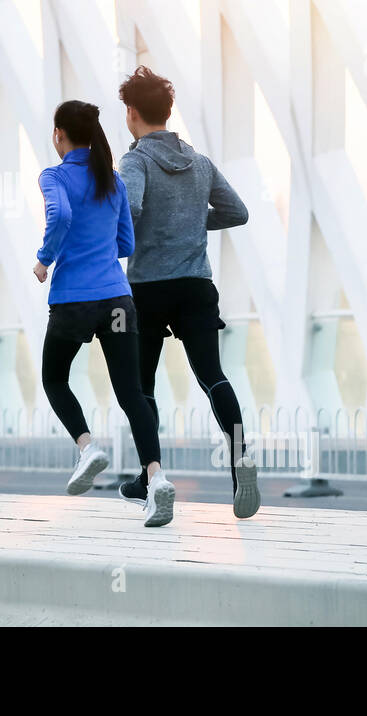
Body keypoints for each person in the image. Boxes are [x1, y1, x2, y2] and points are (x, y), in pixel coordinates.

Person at [115, 66, 260, 519]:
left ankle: (151, 478)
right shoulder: (200, 163)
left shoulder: (135, 160)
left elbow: (133, 207)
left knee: (143, 387)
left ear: (132, 113)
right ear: (168, 110)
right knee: (212, 376)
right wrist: (192, 223)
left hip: (147, 290)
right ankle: (240, 459)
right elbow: (237, 212)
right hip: (196, 285)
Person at [34, 100, 175, 527]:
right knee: (132, 392)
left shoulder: (54, 175)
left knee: (54, 378)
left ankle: (88, 447)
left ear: (60, 135)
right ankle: (156, 478)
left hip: (75, 301)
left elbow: (60, 215)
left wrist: (45, 258)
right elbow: (125, 244)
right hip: (117, 301)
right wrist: (98, 251)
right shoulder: (112, 180)